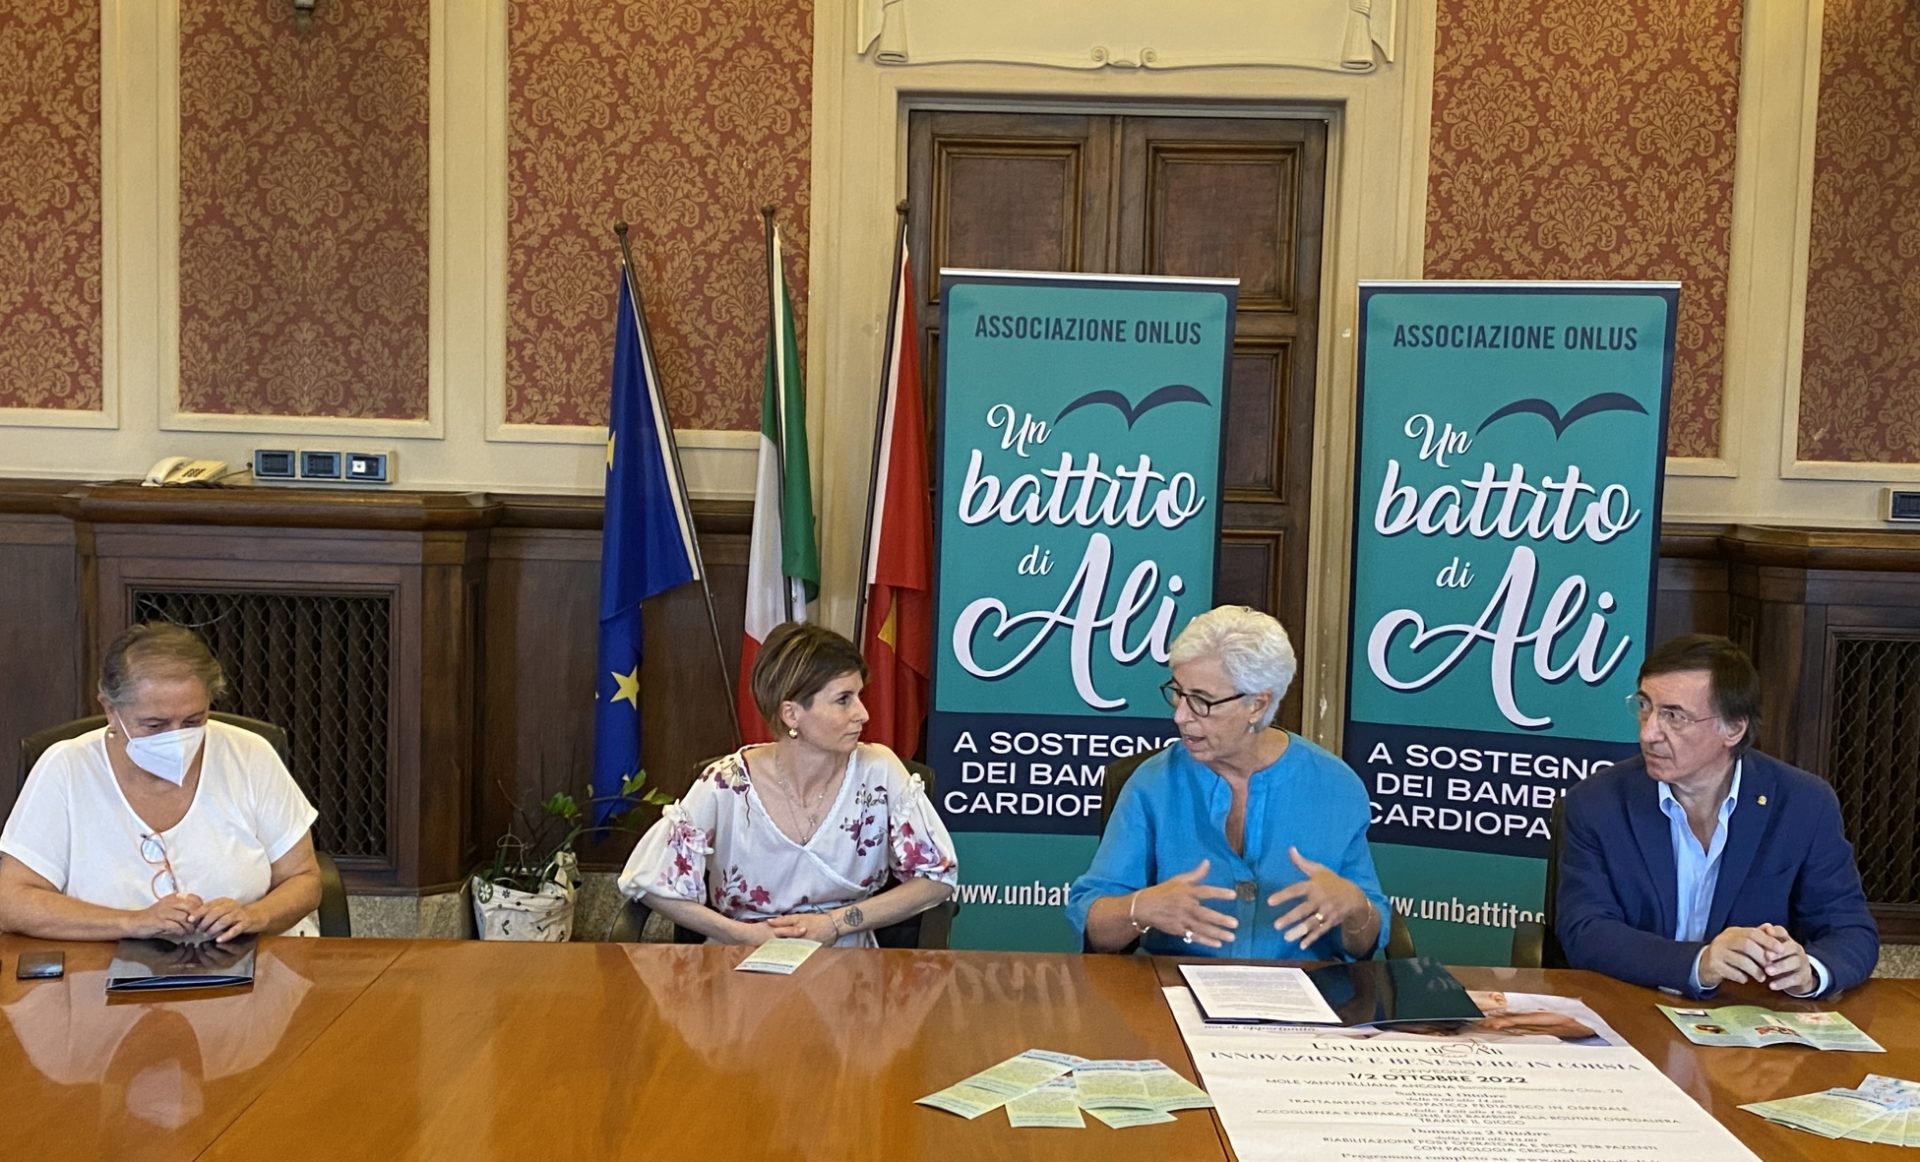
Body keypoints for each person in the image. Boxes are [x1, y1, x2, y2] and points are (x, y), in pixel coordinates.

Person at [1556, 633, 1879, 998]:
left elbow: (1851, 930)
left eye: (1674, 716)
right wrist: (1698, 963)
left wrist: (1810, 970)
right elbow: (1585, 930)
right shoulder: (1598, 802)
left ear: (1733, 728)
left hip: (1749, 1014)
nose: (1648, 733)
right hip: (1632, 1003)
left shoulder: (1804, 804)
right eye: (1645, 706)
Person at [1068, 605, 1389, 959]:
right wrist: (1139, 908)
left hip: (1305, 988)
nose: (1180, 716)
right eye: (1178, 693)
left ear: (1257, 705)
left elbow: (1366, 943)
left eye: (1201, 701)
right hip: (1173, 986)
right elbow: (1093, 924)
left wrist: (1354, 907)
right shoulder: (1152, 783)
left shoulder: (1336, 786)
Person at [618, 622, 957, 947]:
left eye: (859, 695)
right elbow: (649, 881)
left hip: (845, 960)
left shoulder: (879, 772)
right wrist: (741, 934)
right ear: (791, 714)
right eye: (844, 699)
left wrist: (836, 923)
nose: (863, 713)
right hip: (741, 955)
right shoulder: (725, 783)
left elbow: (937, 878)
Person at [0, 622, 323, 942]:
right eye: (154, 725)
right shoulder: (67, 767)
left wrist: (255, 916)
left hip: (251, 956)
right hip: (103, 964)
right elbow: (11, 901)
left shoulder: (250, 755)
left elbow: (303, 878)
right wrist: (132, 923)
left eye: (193, 721)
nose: (176, 738)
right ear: (110, 710)